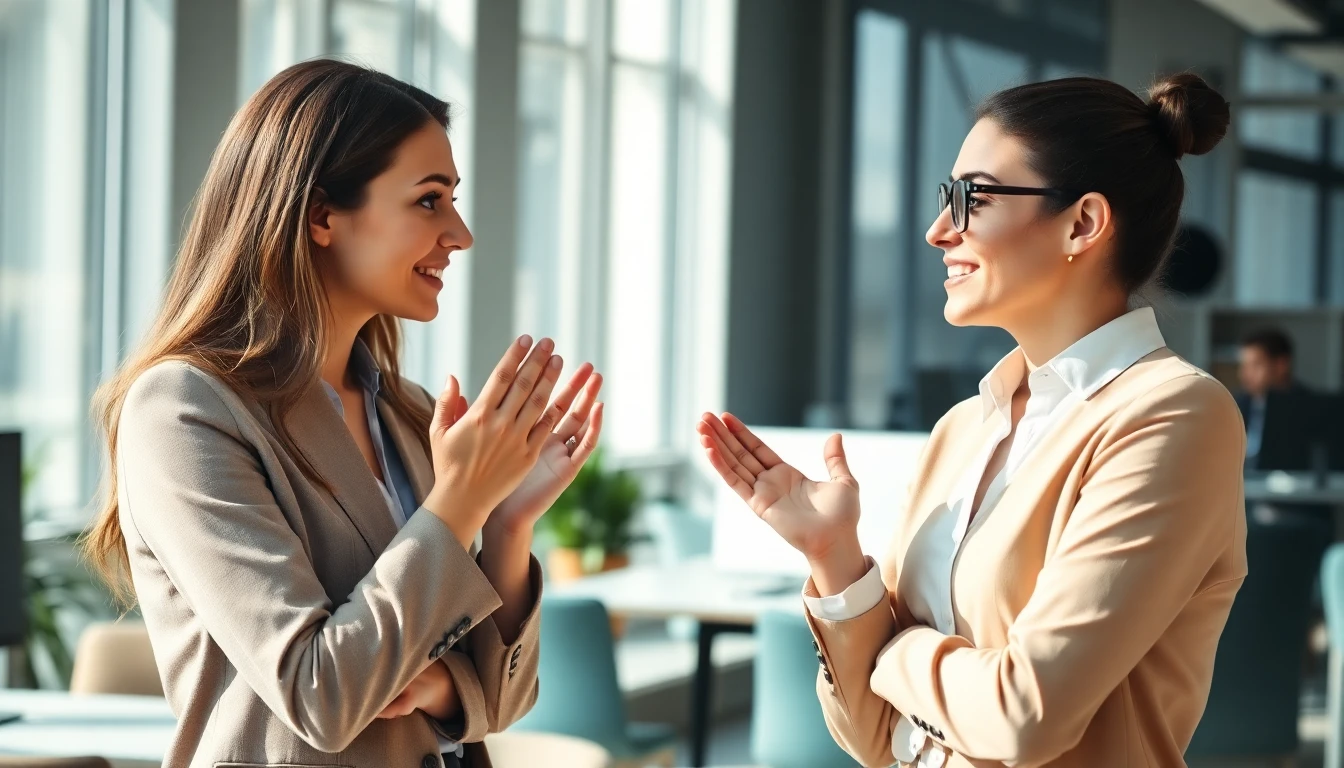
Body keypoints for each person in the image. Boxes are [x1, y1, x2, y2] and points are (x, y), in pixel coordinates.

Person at [699, 73, 1245, 767]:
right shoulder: (963, 429)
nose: (938, 231)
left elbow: (1024, 715)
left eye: (972, 198)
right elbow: (873, 737)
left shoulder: (1174, 415)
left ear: (1082, 223)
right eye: (944, 197)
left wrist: (890, 646)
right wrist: (835, 557)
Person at [80, 59, 604, 768]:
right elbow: (319, 696)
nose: (460, 233)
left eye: (452, 200)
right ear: (322, 215)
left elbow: (501, 702)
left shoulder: (413, 415)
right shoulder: (184, 412)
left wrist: (506, 521)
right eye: (429, 200)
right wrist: (460, 502)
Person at [1236, 327, 1304, 464]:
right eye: (1244, 366)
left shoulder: (1306, 408)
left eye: (1256, 365)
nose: (1245, 374)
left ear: (1281, 365)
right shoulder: (1237, 405)